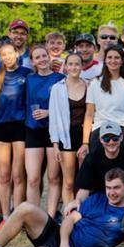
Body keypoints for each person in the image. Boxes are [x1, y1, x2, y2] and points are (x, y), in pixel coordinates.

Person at [63, 121, 124, 214]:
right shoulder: (92, 158)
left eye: (115, 138)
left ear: (121, 137)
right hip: (101, 201)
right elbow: (84, 189)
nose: (111, 142)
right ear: (101, 139)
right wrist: (78, 201)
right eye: (106, 139)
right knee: (75, 213)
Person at [0, 38, 32, 232]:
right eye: (3, 54)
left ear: (17, 53)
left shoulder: (27, 73)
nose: (7, 57)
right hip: (0, 127)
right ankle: (6, 218)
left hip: (20, 127)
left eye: (10, 53)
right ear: (0, 57)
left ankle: (17, 217)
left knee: (18, 175)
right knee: (4, 175)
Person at [24, 45, 66, 217]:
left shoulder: (60, 78)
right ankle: (33, 217)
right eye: (37, 57)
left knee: (54, 178)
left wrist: (49, 112)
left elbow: (66, 107)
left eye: (44, 56)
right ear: (33, 61)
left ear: (49, 57)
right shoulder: (29, 79)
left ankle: (49, 217)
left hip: (53, 132)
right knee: (33, 178)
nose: (41, 59)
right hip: (33, 130)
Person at [79, 44, 124, 158]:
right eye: (109, 57)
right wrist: (85, 143)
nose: (113, 61)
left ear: (122, 61)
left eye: (117, 58)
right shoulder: (95, 83)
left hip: (123, 127)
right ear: (105, 60)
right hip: (100, 128)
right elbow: (89, 114)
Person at [50, 52, 87, 214]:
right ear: (65, 66)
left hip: (85, 137)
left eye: (77, 64)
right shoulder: (58, 88)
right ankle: (68, 215)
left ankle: (83, 214)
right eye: (70, 64)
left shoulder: (88, 85)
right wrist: (55, 144)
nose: (74, 67)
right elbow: (54, 117)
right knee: (69, 182)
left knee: (84, 181)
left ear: (82, 66)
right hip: (66, 139)